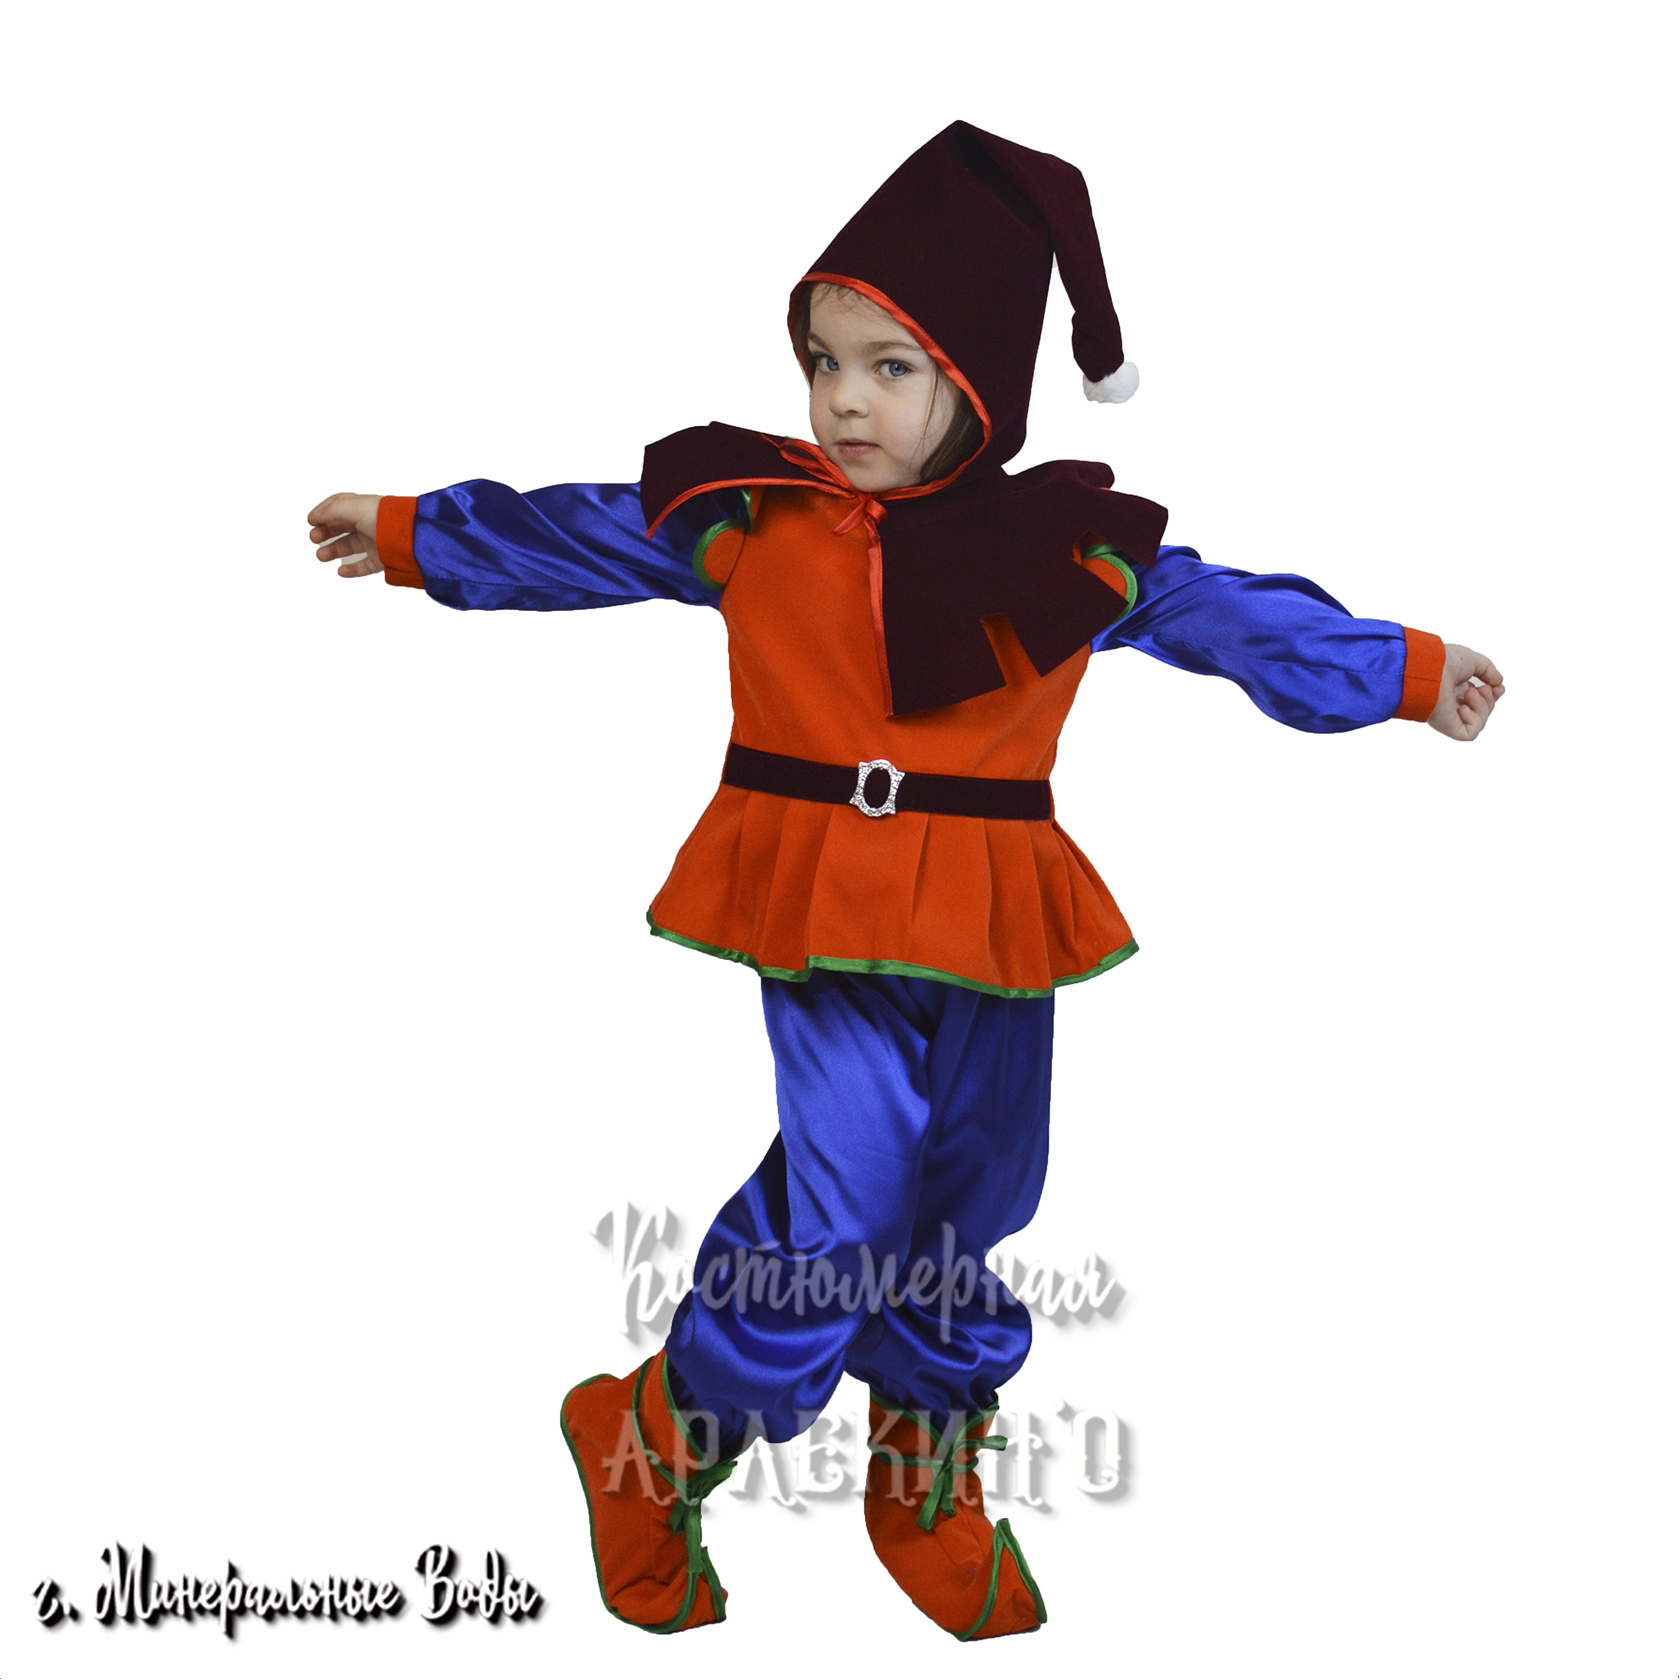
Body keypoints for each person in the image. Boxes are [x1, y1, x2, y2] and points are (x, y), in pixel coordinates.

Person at [306, 121, 1502, 1642]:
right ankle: (654, 1436)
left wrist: (1405, 672)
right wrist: (417, 532)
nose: (844, 400)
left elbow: (1229, 615)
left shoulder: (1066, 548)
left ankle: (919, 1469)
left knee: (974, 1195)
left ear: (978, 383)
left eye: (891, 367)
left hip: (996, 916)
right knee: (845, 1213)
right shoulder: (757, 519)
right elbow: (582, 532)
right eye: (825, 361)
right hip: (821, 909)